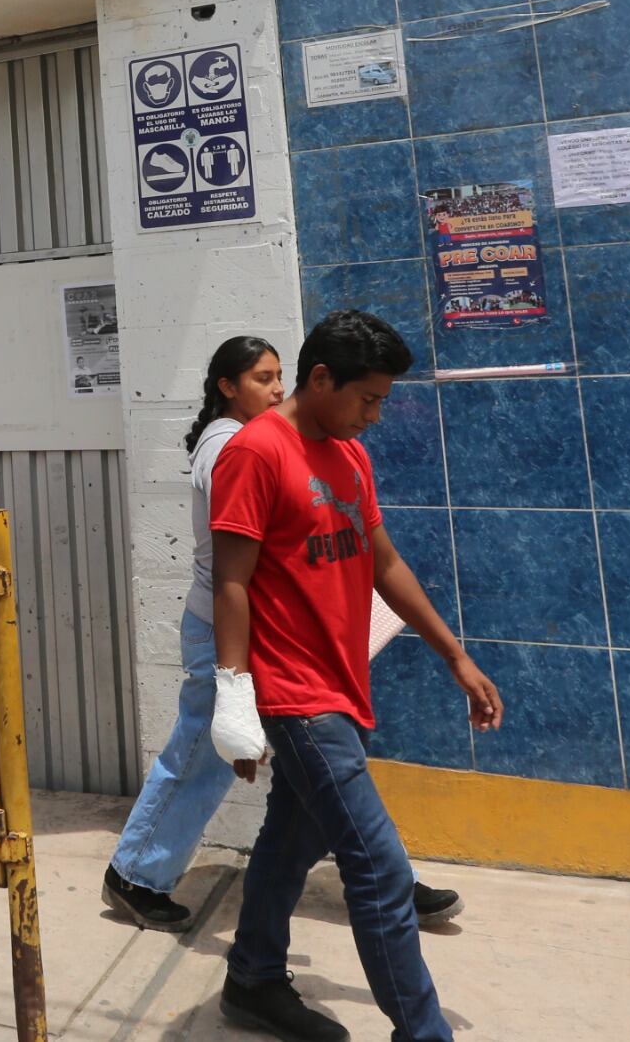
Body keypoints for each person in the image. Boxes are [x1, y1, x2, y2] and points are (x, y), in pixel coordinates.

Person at [206, 310, 503, 1042]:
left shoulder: (350, 455)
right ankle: (422, 1032)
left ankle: (252, 979)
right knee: (379, 868)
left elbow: (384, 562)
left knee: (291, 841)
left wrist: (455, 655)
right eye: (367, 399)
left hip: (343, 684)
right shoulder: (255, 451)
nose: (375, 415)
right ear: (320, 379)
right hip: (296, 694)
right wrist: (233, 696)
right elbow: (232, 581)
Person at [104, 340, 464, 934]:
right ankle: (136, 873)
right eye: (260, 378)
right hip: (228, 630)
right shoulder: (231, 447)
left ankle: (386, 874)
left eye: (277, 376)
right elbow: (242, 562)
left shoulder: (287, 442)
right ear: (227, 387)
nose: (275, 389)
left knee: (324, 761)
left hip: (277, 628)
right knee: (204, 754)